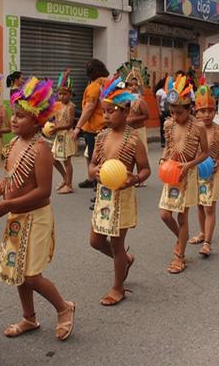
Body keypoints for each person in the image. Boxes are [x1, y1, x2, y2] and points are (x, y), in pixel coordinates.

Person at [0, 76, 76, 342]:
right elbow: (9, 178)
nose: (14, 120)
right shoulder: (15, 143)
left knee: (31, 274)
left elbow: (43, 192)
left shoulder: (40, 149)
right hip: (16, 215)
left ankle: (64, 307)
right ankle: (29, 317)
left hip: (36, 218)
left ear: (37, 120)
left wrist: (7, 204)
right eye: (13, 114)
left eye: (21, 116)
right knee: (17, 271)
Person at [89, 77, 150, 305]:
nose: (106, 116)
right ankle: (125, 259)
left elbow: (145, 170)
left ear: (125, 112)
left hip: (123, 196)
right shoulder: (101, 137)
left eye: (111, 111)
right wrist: (94, 171)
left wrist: (133, 179)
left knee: (116, 244)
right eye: (104, 111)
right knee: (95, 241)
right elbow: (92, 165)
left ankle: (118, 287)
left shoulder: (134, 140)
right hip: (103, 197)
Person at [159, 75, 208, 274]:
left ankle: (180, 256)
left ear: (190, 109)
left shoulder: (199, 127)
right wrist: (162, 159)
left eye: (179, 112)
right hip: (171, 173)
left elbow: (205, 153)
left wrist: (189, 165)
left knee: (182, 217)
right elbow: (169, 147)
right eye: (172, 112)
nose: (175, 116)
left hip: (186, 175)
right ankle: (182, 238)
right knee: (164, 215)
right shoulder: (168, 125)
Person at [188, 85, 219, 256]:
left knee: (209, 208)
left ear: (215, 111)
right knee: (199, 205)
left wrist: (218, 163)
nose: (206, 114)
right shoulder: (193, 130)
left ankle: (207, 242)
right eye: (202, 110)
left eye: (210, 110)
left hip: (213, 174)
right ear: (196, 112)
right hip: (197, 174)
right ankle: (202, 232)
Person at [72, 59, 109, 189]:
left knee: (97, 158)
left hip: (95, 128)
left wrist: (77, 127)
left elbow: (89, 108)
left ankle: (101, 188)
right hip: (104, 126)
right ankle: (92, 178)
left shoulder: (94, 87)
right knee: (92, 155)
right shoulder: (107, 83)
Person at [51, 70, 77, 194]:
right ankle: (65, 178)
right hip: (59, 135)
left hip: (66, 136)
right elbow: (55, 119)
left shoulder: (71, 107)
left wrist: (57, 128)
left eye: (64, 94)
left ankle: (69, 185)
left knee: (67, 161)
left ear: (70, 94)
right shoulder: (57, 105)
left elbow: (69, 124)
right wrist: (51, 127)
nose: (61, 97)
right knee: (53, 159)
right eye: (60, 94)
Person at [154, 76, 169, 147]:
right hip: (163, 111)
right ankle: (163, 142)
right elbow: (157, 102)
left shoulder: (171, 90)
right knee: (163, 127)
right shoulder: (159, 91)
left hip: (170, 111)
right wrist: (159, 111)